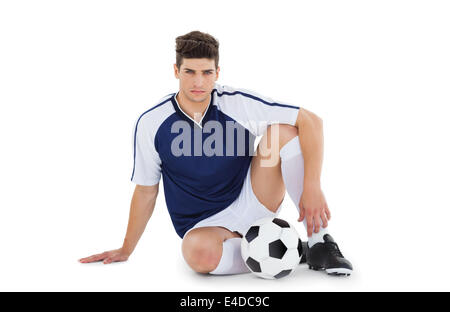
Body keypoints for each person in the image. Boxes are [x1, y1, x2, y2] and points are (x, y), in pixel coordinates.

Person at [79, 30, 353, 276]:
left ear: (217, 73)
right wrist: (126, 249)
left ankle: (319, 243)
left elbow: (311, 121)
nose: (199, 81)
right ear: (176, 71)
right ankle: (290, 250)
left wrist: (312, 186)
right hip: (204, 224)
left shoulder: (236, 104)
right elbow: (146, 191)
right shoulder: (152, 123)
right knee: (196, 254)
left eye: (207, 73)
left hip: (254, 198)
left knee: (281, 133)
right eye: (190, 72)